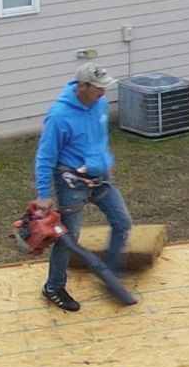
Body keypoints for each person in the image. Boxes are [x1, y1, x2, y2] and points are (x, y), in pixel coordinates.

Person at [34, 63, 129, 313]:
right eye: (98, 88)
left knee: (122, 222)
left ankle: (108, 273)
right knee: (69, 237)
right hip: (71, 182)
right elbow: (45, 156)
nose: (103, 93)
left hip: (100, 178)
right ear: (82, 86)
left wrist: (105, 163)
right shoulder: (59, 116)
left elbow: (99, 139)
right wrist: (43, 196)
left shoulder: (100, 104)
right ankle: (53, 287)